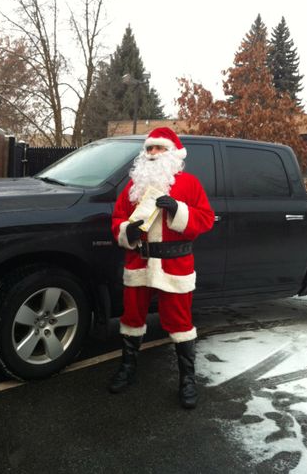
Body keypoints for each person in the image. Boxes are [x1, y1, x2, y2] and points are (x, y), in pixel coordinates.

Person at [110, 127, 214, 409]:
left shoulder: (189, 184)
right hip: (139, 262)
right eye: (150, 149)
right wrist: (125, 232)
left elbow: (205, 219)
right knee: (132, 317)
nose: (153, 154)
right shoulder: (133, 188)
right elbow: (119, 217)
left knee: (180, 322)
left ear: (173, 154)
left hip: (174, 264)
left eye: (160, 148)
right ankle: (128, 369)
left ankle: (187, 380)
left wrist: (178, 209)